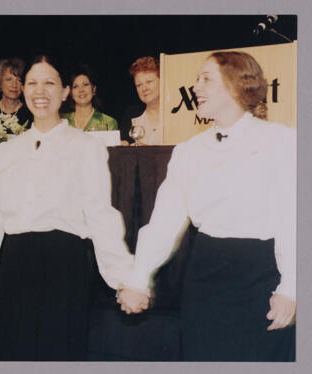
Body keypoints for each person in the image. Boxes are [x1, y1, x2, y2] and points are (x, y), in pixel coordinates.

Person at [0, 55, 134, 361]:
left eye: (49, 83)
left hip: (66, 267)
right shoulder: (6, 151)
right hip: (16, 267)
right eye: (32, 83)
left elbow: (101, 215)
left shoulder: (86, 147)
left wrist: (124, 278)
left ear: (65, 91)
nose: (40, 91)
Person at [117, 51, 296, 361]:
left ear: (238, 85)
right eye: (197, 78)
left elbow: (294, 220)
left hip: (263, 274)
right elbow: (164, 223)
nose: (196, 86)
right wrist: (138, 279)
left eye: (206, 79)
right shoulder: (189, 151)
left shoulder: (283, 142)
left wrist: (292, 288)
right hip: (205, 275)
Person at [61, 64, 118, 131]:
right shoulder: (61, 120)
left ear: (94, 89)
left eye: (85, 85)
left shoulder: (108, 122)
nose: (81, 90)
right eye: (75, 87)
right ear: (70, 93)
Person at [119, 57, 162, 145]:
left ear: (162, 81)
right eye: (139, 85)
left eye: (149, 82)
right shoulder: (131, 115)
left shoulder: (176, 115)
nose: (144, 88)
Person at [0, 57, 32, 127]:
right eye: (9, 79)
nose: (14, 85)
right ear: (0, 82)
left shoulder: (30, 114)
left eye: (19, 80)